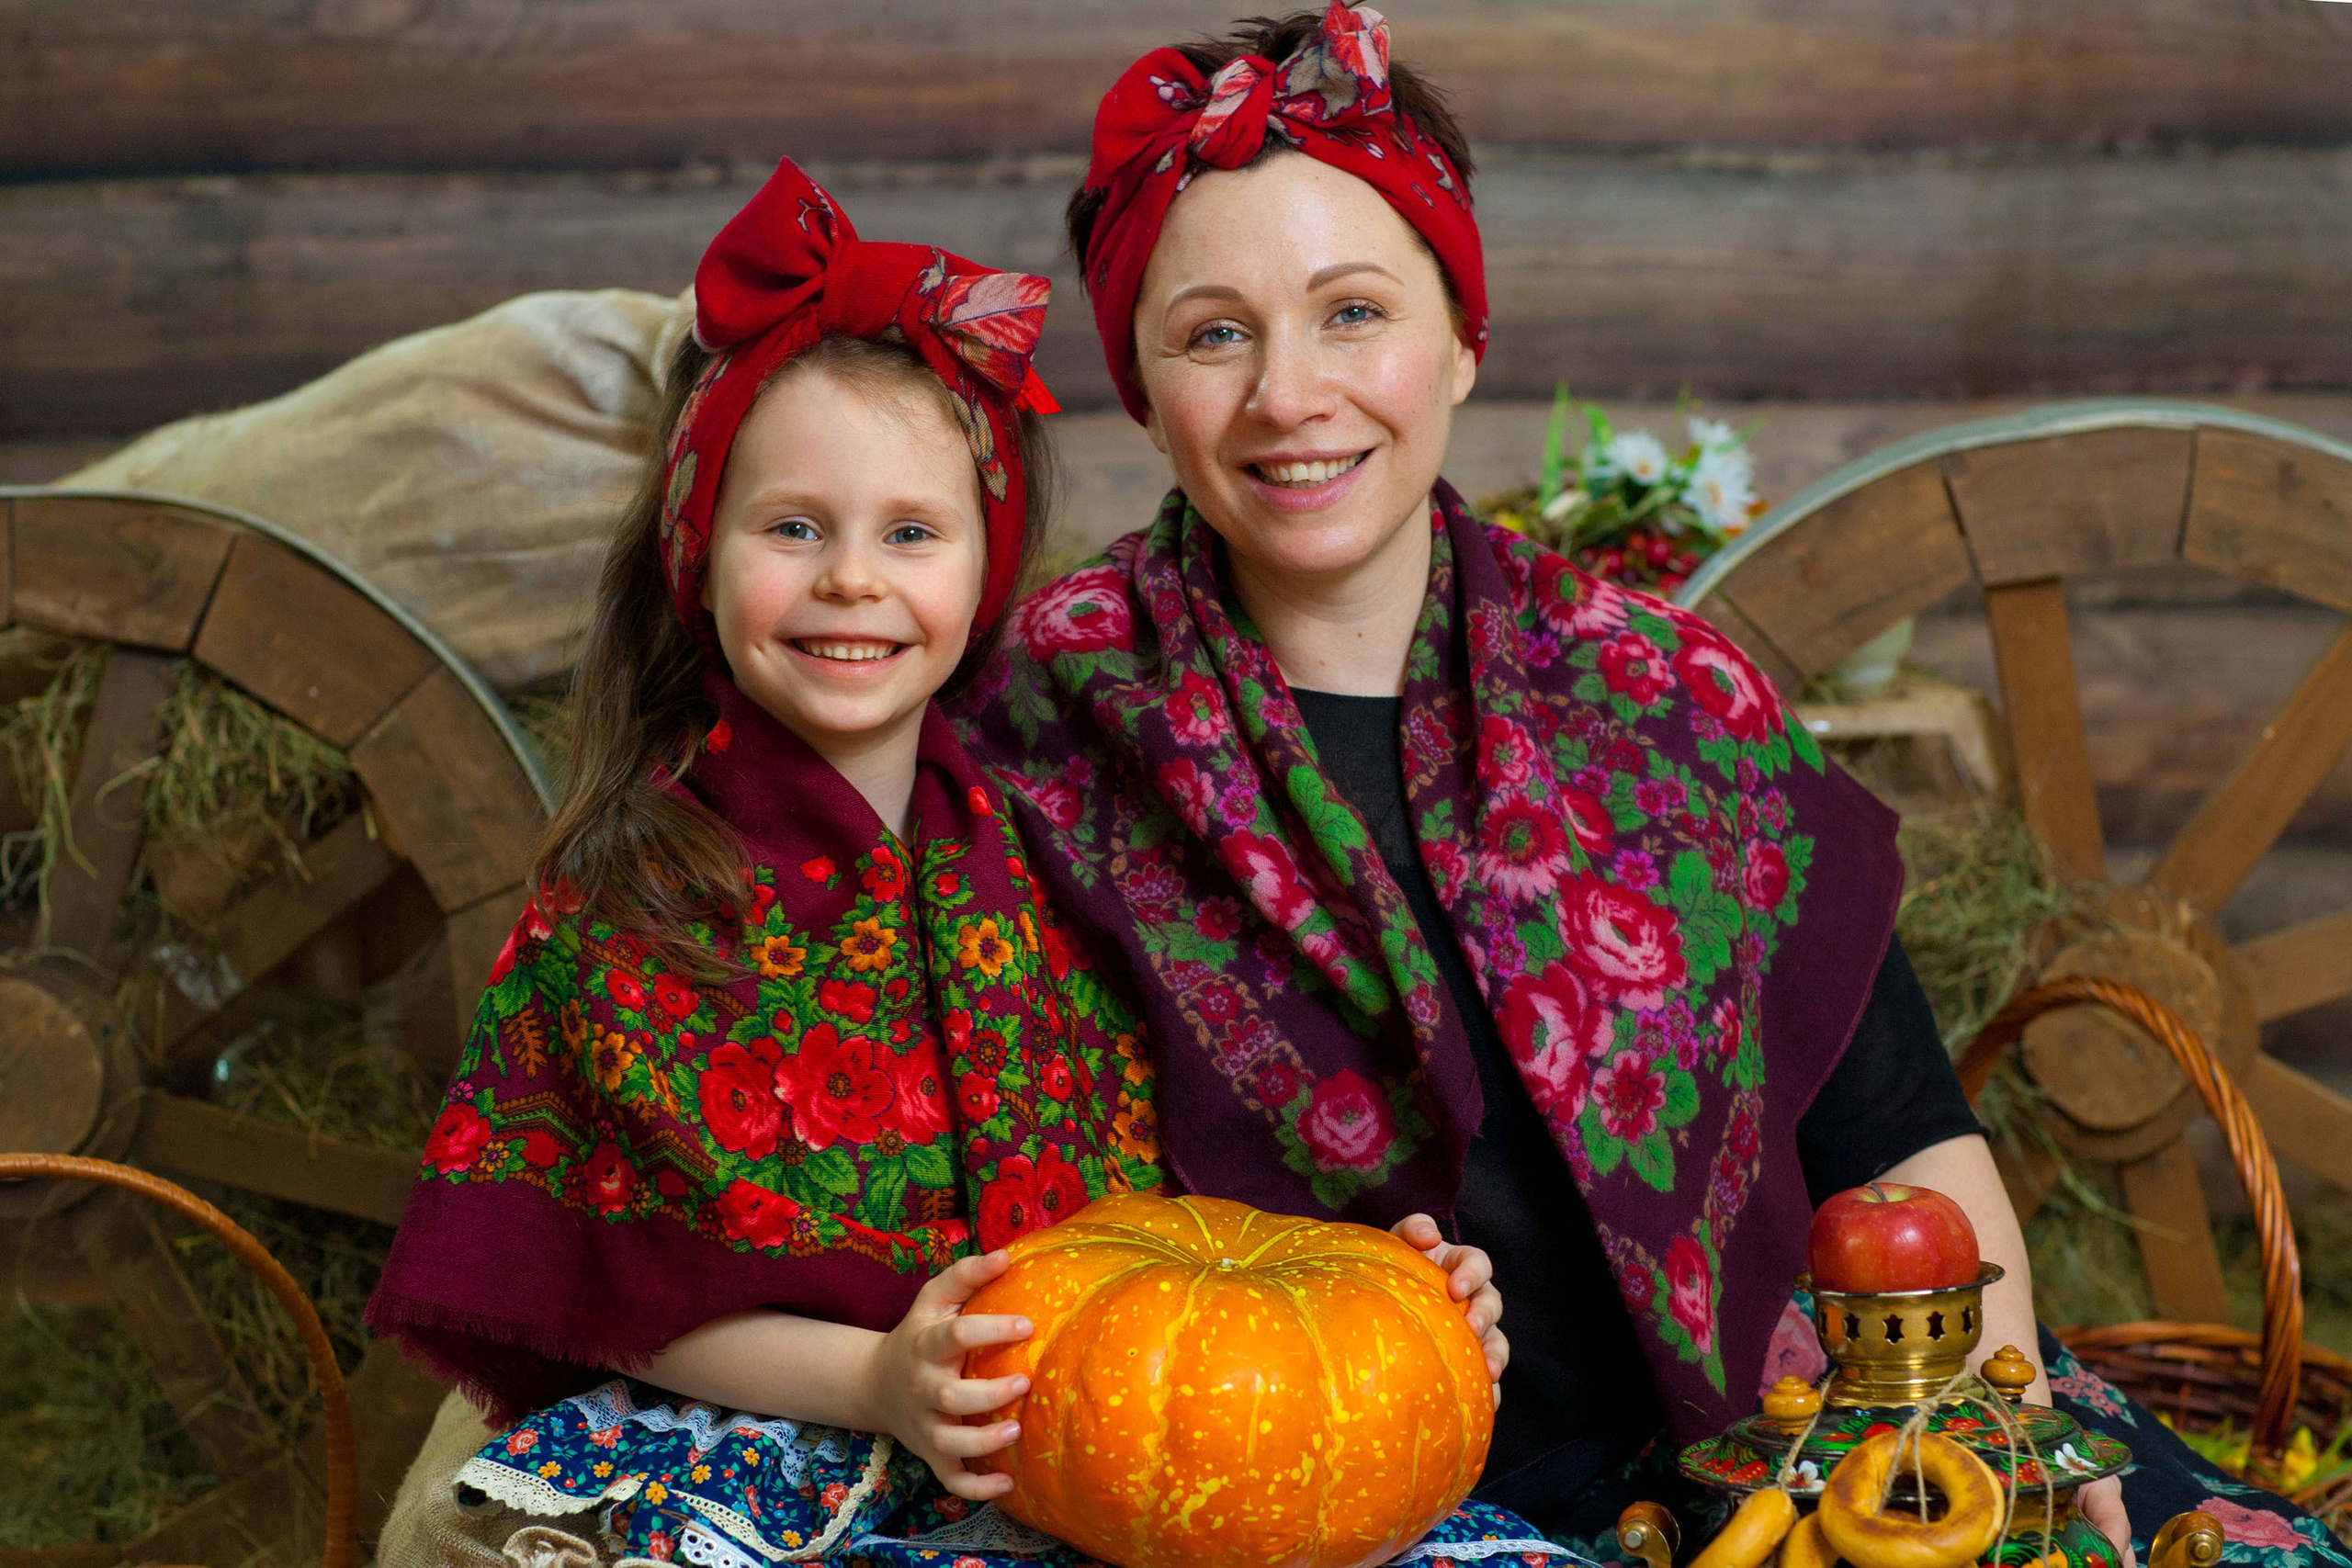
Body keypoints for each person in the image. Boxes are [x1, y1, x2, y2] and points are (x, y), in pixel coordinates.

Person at [951, 7, 2350, 1566]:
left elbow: (1904, 1138)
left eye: (1354, 312)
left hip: (1810, 1425)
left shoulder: (1660, 698)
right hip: (1343, 1503)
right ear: (1140, 390)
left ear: (1464, 337)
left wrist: (1989, 1435)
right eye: (1214, 333)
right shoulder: (1042, 725)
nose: (1291, 393)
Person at [366, 157, 1549, 1568]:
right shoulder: (638, 901)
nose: (853, 579)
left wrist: (1382, 1301)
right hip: (775, 1451)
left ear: (987, 571)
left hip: (1071, 1440)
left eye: (911, 534)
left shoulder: (1049, 834)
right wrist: (876, 1381)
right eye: (793, 528)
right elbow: (615, 1290)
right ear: (699, 548)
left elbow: (1188, 1188)